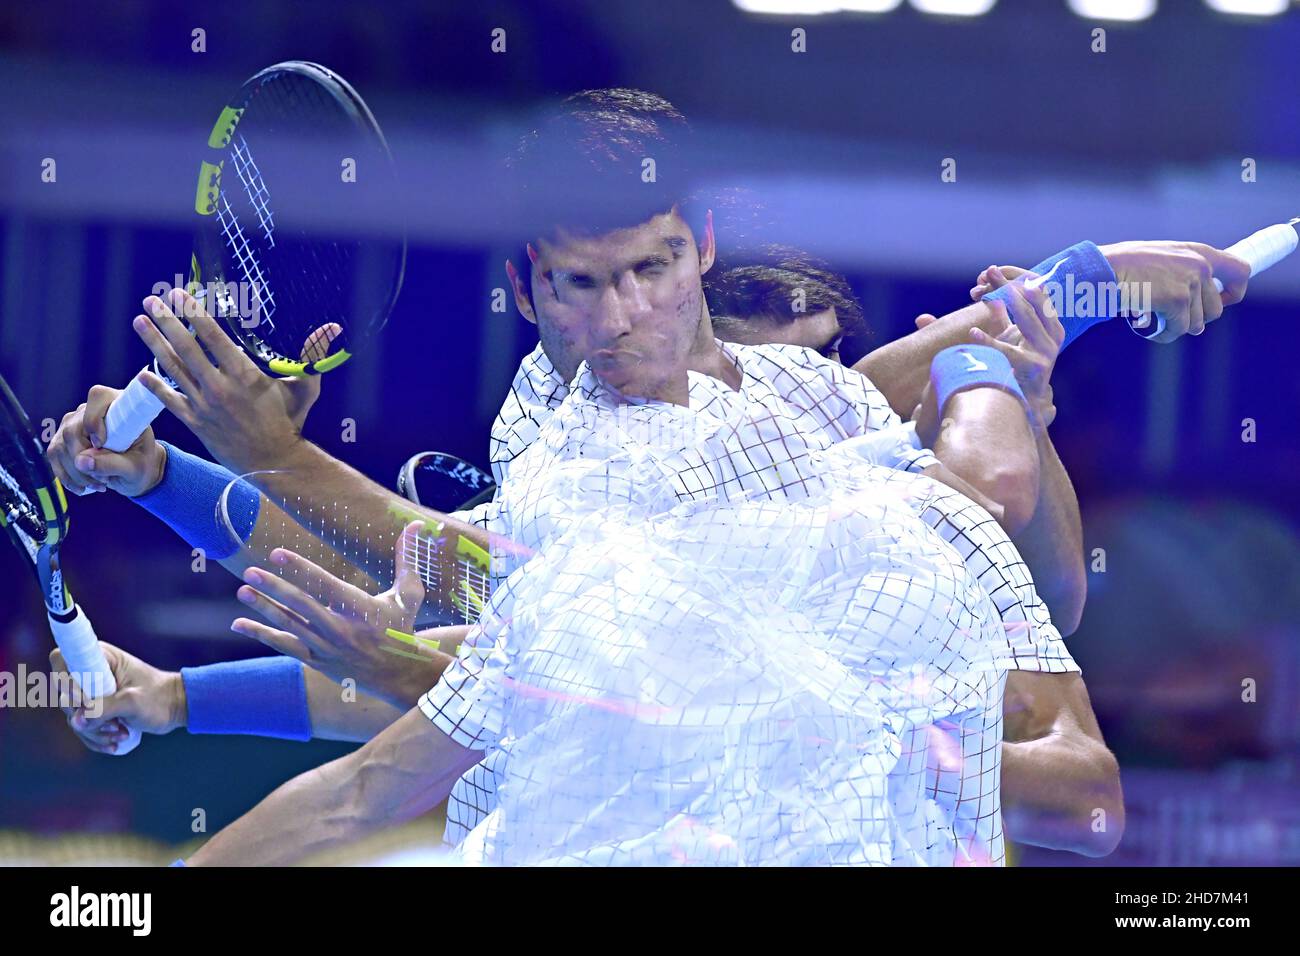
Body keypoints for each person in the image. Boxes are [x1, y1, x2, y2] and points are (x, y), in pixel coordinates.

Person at [48, 88, 1244, 861]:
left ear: (700, 257)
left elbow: (444, 636)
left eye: (654, 271)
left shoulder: (822, 412)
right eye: (582, 282)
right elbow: (433, 665)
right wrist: (176, 483)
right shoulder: (561, 444)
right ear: (525, 288)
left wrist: (1086, 279)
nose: (621, 317)